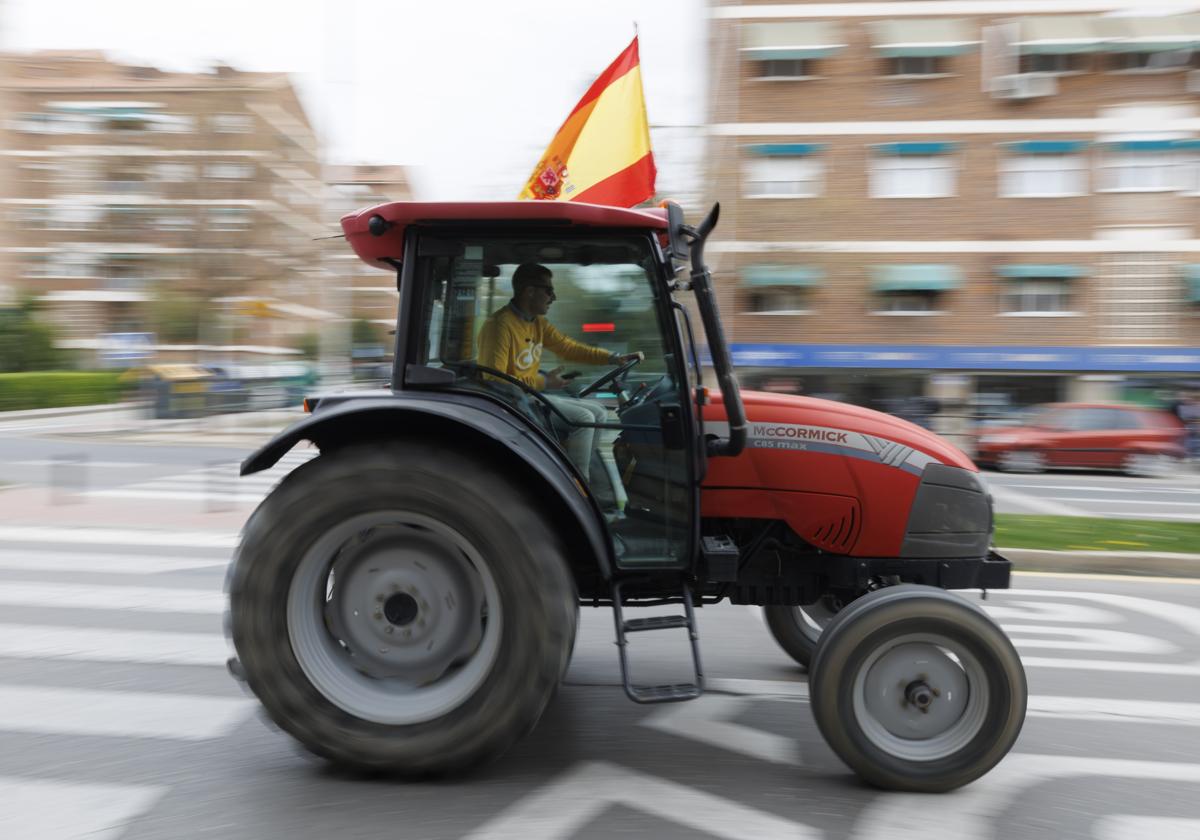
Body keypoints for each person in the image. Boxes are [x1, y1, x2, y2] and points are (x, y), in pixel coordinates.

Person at [476, 262, 637, 473]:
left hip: (529, 397)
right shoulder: (500, 325)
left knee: (599, 412)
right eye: (549, 290)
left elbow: (567, 347)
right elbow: (494, 380)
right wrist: (544, 382)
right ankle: (579, 483)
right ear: (530, 291)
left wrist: (613, 358)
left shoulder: (537, 323)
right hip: (512, 405)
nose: (553, 297)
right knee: (584, 418)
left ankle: (588, 479)